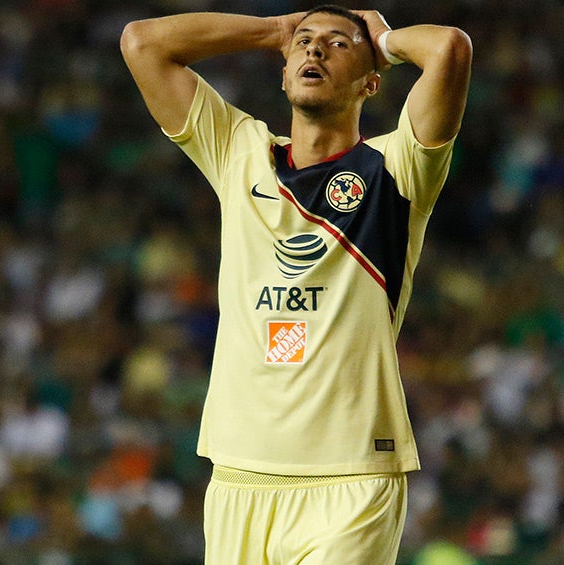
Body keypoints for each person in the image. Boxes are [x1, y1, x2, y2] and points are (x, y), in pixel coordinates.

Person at [121, 5, 471, 563]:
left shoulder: (397, 169)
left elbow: (449, 48)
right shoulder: (240, 152)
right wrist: (276, 30)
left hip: (351, 477)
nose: (315, 49)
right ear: (284, 73)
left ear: (371, 81)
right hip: (239, 475)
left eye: (338, 43)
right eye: (305, 42)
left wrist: (383, 39)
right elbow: (143, 43)